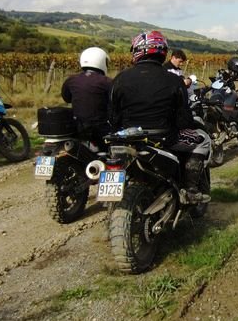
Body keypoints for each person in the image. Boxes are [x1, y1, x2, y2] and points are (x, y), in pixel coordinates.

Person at [109, 31, 211, 204]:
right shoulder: (174, 80)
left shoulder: (120, 79)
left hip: (128, 139)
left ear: (136, 51)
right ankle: (191, 190)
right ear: (163, 52)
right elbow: (184, 119)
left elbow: (112, 116)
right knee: (204, 141)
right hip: (163, 137)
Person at [61, 47, 112, 145]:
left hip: (77, 125)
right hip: (100, 126)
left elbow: (66, 98)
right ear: (101, 61)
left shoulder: (71, 80)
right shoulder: (107, 82)